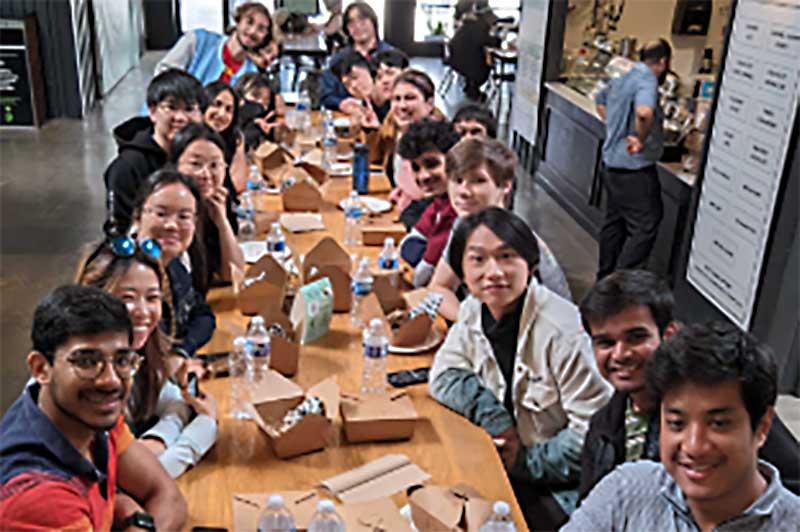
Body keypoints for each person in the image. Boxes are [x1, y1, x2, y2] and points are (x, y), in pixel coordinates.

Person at [429, 208, 612, 529]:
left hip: (559, 488)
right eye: (478, 260)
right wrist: (498, 424)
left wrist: (523, 463)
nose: (494, 272)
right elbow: (443, 377)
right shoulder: (475, 309)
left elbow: (593, 438)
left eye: (507, 256)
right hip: (501, 463)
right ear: (461, 269)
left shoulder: (564, 332)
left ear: (531, 265)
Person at [577, 270, 800, 498]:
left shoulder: (722, 404)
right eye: (606, 342)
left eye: (636, 337)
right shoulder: (603, 425)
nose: (621, 354)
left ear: (668, 334)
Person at [565, 321, 800, 531]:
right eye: (677, 424)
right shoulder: (626, 492)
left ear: (762, 427)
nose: (694, 446)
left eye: (718, 424)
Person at [0, 285, 186, 530]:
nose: (110, 380)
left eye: (121, 360)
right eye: (86, 362)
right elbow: (161, 497)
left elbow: (167, 495)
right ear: (41, 368)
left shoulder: (88, 416)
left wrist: (131, 515)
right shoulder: (40, 498)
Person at [75, 239, 219, 479]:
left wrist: (157, 441)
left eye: (152, 298)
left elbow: (173, 401)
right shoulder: (86, 376)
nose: (142, 311)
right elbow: (126, 483)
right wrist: (205, 427)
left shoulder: (138, 352)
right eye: (127, 298)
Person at [428, 136, 572, 321]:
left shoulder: (513, 238)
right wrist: (466, 321)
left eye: (478, 181)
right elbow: (439, 287)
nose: (463, 191)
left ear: (505, 185)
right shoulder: (465, 225)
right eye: (458, 180)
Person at [594, 39, 671, 280]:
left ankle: (605, 278)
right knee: (646, 225)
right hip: (634, 168)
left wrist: (614, 126)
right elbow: (644, 112)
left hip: (611, 164)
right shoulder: (647, 79)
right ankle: (620, 284)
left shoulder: (625, 75)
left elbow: (599, 99)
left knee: (614, 223)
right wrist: (639, 138)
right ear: (664, 62)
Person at [104, 69, 205, 235]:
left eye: (189, 109)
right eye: (171, 107)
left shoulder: (201, 154)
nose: (180, 117)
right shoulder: (127, 167)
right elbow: (119, 233)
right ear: (152, 111)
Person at [133, 170, 216, 363]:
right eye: (161, 214)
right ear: (138, 217)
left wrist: (180, 353)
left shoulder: (175, 266)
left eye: (184, 216)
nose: (171, 225)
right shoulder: (124, 274)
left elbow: (203, 316)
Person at [169, 123, 245, 285]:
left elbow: (233, 274)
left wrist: (222, 221)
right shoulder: (169, 213)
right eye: (196, 164)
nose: (206, 174)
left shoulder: (215, 203)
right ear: (175, 166)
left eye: (215, 165)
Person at [397, 120, 461, 287]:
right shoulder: (438, 202)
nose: (423, 176)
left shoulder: (459, 209)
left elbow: (423, 276)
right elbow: (408, 243)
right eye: (416, 168)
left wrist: (423, 254)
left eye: (431, 164)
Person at [369, 69, 445, 210]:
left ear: (429, 103)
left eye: (410, 98)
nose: (402, 106)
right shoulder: (393, 127)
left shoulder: (440, 141)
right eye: (396, 99)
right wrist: (371, 131)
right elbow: (374, 161)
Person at [156, 2, 273, 86]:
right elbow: (163, 75)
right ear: (238, 21)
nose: (252, 31)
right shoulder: (197, 41)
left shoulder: (251, 73)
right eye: (249, 22)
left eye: (261, 29)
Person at [319, 2, 395, 111]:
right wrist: (341, 104)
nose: (357, 27)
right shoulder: (339, 58)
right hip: (346, 118)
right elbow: (325, 94)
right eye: (351, 24)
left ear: (373, 22)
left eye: (362, 21)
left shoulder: (391, 55)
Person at [202, 81, 248, 198]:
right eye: (216, 104)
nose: (222, 114)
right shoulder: (190, 141)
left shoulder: (229, 140)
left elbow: (238, 185)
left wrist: (239, 146)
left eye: (229, 110)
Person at [334, 52, 383, 129]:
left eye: (355, 77)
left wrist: (378, 128)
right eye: (347, 84)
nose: (353, 86)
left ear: (370, 71)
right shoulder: (366, 104)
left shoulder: (394, 99)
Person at [370, 48, 410, 121]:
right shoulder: (375, 107)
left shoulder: (419, 107)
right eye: (379, 77)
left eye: (390, 73)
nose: (384, 80)